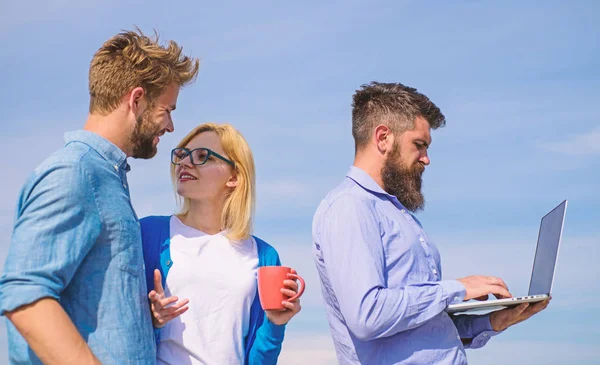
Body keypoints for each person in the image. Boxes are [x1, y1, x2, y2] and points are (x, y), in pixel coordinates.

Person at [312, 82, 550, 364]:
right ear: (383, 138)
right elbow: (368, 316)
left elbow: (419, 327)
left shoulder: (395, 212)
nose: (426, 159)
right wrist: (458, 289)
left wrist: (493, 321)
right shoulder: (349, 208)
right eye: (419, 145)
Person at [0, 29, 199, 364]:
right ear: (136, 99)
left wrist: (139, 318)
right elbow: (25, 296)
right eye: (167, 110)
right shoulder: (76, 173)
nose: (171, 126)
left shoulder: (108, 179)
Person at [139, 123, 301, 365]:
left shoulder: (264, 256)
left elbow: (260, 358)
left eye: (202, 156)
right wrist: (149, 319)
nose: (184, 162)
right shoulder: (148, 234)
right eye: (182, 155)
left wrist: (276, 324)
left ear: (234, 177)